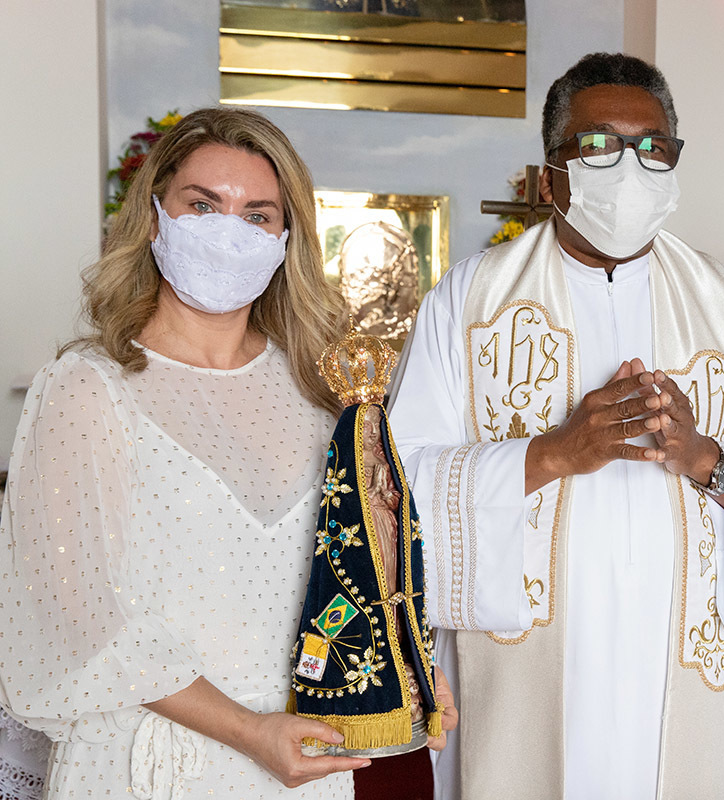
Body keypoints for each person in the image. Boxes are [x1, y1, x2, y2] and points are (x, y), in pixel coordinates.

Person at [387, 52, 724, 799]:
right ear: (549, 175)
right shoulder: (469, 301)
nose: (629, 169)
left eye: (652, 148)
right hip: (539, 674)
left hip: (674, 665)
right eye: (597, 146)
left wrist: (707, 457)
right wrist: (550, 454)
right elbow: (398, 484)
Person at [0, 107, 455, 800]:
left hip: (300, 761)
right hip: (147, 764)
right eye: (203, 205)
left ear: (285, 238)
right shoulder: (88, 389)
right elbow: (80, 619)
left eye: (257, 215)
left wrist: (408, 665)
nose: (228, 231)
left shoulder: (314, 392)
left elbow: (355, 566)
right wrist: (246, 730)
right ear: (154, 217)